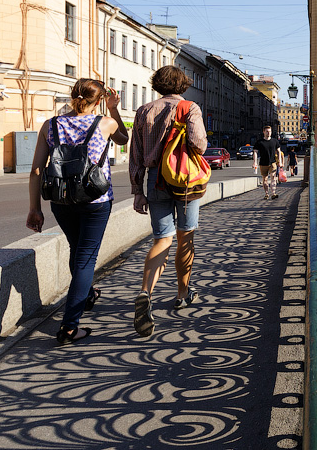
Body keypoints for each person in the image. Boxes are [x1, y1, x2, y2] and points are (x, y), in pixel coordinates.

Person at [26, 79, 128, 345]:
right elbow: (124, 139)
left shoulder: (51, 125)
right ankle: (69, 328)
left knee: (77, 249)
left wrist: (34, 208)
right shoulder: (106, 122)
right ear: (100, 100)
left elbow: (36, 170)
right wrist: (114, 108)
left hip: (61, 200)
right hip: (95, 200)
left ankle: (89, 293)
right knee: (86, 259)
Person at [129, 65, 208, 336]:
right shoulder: (189, 107)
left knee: (162, 238)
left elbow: (136, 156)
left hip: (155, 180)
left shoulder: (143, 111)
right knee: (186, 238)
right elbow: (199, 144)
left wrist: (137, 190)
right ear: (182, 84)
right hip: (185, 180)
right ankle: (183, 292)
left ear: (157, 84)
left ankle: (145, 292)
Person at [253, 125, 282, 199]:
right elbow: (255, 152)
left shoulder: (274, 141)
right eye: (267, 131)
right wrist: (255, 162)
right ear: (263, 132)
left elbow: (279, 151)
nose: (268, 133)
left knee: (273, 177)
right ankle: (266, 194)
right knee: (265, 179)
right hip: (263, 163)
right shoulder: (259, 142)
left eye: (270, 131)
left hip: (273, 163)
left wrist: (280, 161)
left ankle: (273, 193)